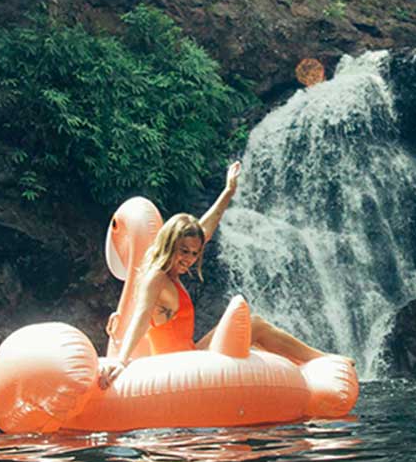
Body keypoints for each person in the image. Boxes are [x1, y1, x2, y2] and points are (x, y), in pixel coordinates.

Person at [97, 161, 335, 388]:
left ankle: (311, 366)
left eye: (193, 253)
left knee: (256, 334)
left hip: (189, 355)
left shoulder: (168, 274)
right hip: (176, 367)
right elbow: (141, 316)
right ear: (169, 245)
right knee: (255, 325)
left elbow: (204, 229)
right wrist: (121, 360)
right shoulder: (156, 277)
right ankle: (322, 359)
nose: (189, 259)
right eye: (183, 251)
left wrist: (228, 191)